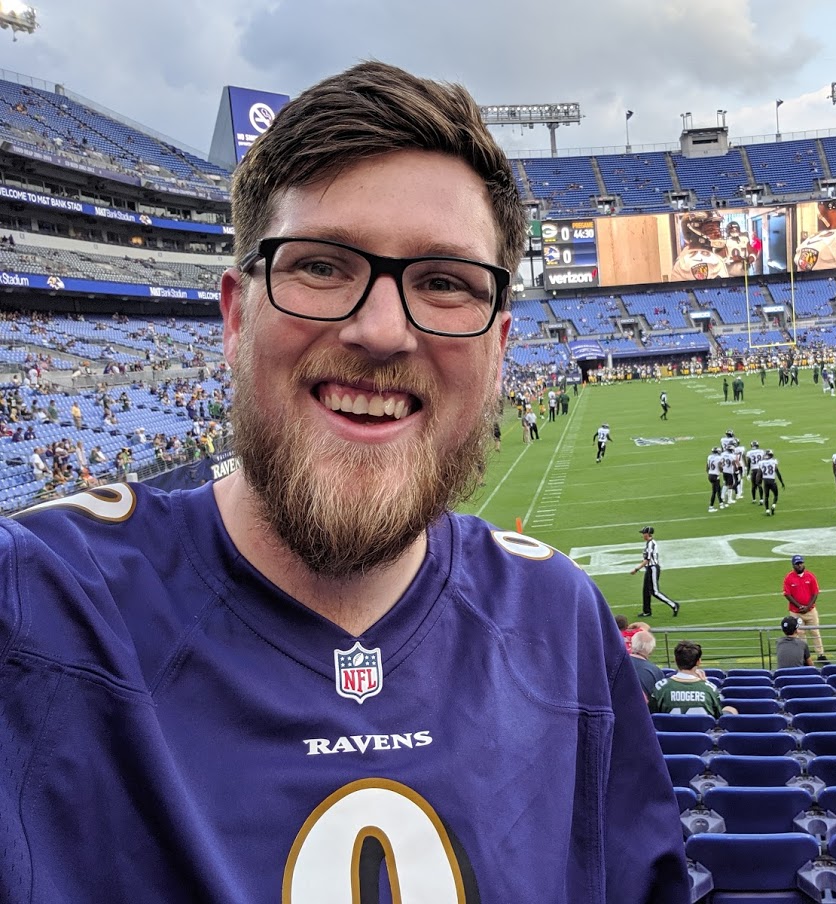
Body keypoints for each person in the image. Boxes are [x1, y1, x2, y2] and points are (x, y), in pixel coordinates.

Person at [0, 63, 688, 903]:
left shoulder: (555, 615)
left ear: (500, 345)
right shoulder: (44, 600)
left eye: (443, 283)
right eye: (322, 265)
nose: (379, 330)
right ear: (234, 315)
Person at [650, 641, 728, 717]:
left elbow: (651, 716)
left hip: (669, 730)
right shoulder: (710, 688)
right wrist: (704, 683)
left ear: (675, 660)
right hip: (701, 729)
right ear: (698, 662)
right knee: (730, 709)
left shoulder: (660, 687)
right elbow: (718, 718)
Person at [782, 554, 826, 662]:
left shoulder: (810, 576)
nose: (799, 565)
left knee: (815, 632)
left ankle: (820, 655)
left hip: (810, 611)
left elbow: (815, 593)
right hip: (796, 612)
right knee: (800, 634)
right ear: (793, 565)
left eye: (801, 563)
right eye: (797, 564)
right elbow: (787, 594)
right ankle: (805, 657)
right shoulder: (789, 578)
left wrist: (808, 607)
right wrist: (799, 606)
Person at [631, 526, 680, 617]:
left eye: (643, 533)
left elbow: (647, 560)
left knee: (655, 591)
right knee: (646, 590)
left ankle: (673, 605)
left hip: (653, 568)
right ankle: (647, 611)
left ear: (647, 534)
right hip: (649, 568)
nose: (642, 535)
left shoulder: (651, 544)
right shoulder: (648, 543)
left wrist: (636, 569)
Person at [629, 630, 665, 704]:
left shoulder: (616, 664)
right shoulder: (655, 671)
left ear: (631, 644)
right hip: (644, 713)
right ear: (651, 650)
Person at [760, 448, 784, 515]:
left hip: (765, 481)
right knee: (776, 495)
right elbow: (777, 473)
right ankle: (773, 505)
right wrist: (782, 482)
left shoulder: (761, 463)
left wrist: (759, 481)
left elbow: (760, 474)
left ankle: (767, 510)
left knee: (766, 496)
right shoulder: (774, 462)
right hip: (772, 481)